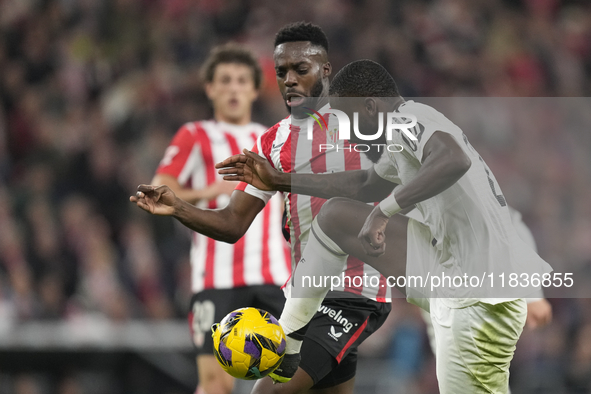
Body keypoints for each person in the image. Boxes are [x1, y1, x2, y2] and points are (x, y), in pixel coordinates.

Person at [216, 59, 552, 393]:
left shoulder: (409, 119)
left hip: (481, 296)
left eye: (346, 117)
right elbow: (364, 185)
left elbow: (454, 159)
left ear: (371, 105)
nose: (344, 129)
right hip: (450, 267)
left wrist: (384, 211)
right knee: (335, 218)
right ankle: (288, 342)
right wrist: (280, 179)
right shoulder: (401, 136)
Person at [132, 23, 392, 394]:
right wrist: (178, 208)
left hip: (355, 293)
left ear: (326, 70)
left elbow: (371, 185)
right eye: (282, 72)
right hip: (304, 297)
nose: (290, 80)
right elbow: (232, 223)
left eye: (301, 69)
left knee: (269, 390)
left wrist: (280, 181)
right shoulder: (273, 141)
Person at [151, 44, 291, 394]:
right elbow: (161, 187)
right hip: (216, 279)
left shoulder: (273, 137)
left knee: (290, 381)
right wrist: (210, 188)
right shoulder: (195, 135)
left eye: (242, 80)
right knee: (216, 386)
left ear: (255, 89)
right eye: (225, 80)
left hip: (277, 277)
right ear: (210, 88)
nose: (233, 88)